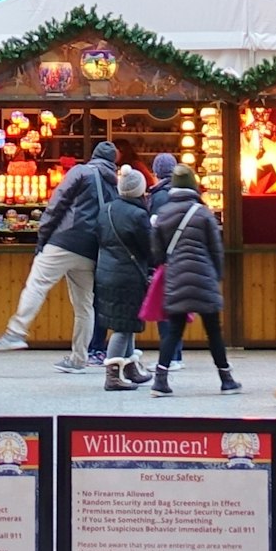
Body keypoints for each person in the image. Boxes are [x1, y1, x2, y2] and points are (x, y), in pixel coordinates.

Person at [0, 136, 110, 365]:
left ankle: (16, 331)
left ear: (94, 156)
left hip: (64, 240)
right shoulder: (113, 182)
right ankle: (78, 359)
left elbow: (57, 203)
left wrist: (42, 239)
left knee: (38, 283)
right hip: (90, 249)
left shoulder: (80, 172)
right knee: (85, 305)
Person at [146, 162, 236, 394]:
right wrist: (216, 275)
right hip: (204, 276)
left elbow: (156, 253)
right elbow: (216, 249)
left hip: (176, 277)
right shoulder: (203, 213)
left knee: (173, 330)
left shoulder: (163, 214)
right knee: (214, 331)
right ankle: (226, 379)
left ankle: (160, 380)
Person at [93, 162, 156, 390]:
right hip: (128, 276)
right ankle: (113, 376)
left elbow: (98, 237)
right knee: (123, 327)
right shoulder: (139, 215)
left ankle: (129, 368)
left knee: (125, 322)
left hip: (106, 273)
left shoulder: (106, 209)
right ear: (139, 190)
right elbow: (149, 250)